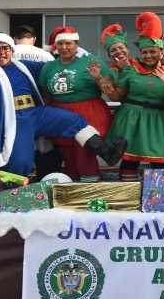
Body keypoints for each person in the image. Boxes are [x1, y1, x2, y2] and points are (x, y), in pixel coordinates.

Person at [0, 31, 127, 177]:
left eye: (5, 48)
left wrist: (77, 55)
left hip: (36, 113)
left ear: (11, 50)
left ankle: (107, 153)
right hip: (17, 120)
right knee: (20, 162)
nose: (1, 52)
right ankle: (14, 189)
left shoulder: (24, 65)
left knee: (75, 121)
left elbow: (53, 66)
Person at [89, 12, 164, 181]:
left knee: (160, 162)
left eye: (152, 51)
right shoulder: (130, 70)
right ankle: (129, 194)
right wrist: (101, 82)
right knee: (130, 161)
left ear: (161, 52)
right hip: (130, 120)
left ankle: (156, 195)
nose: (148, 55)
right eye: (144, 52)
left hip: (157, 121)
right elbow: (117, 96)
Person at [38, 26, 114, 182]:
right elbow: (46, 95)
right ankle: (73, 193)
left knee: (84, 157)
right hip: (61, 115)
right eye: (60, 44)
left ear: (77, 44)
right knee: (69, 160)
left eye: (68, 43)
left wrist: (98, 78)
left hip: (88, 113)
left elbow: (109, 89)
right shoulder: (49, 67)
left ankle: (90, 192)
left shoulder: (91, 61)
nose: (64, 47)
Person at [11, 25, 62, 181]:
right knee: (45, 154)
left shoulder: (5, 54)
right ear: (34, 39)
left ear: (14, 39)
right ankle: (45, 187)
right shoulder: (46, 56)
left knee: (17, 154)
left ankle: (17, 189)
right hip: (42, 109)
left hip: (14, 113)